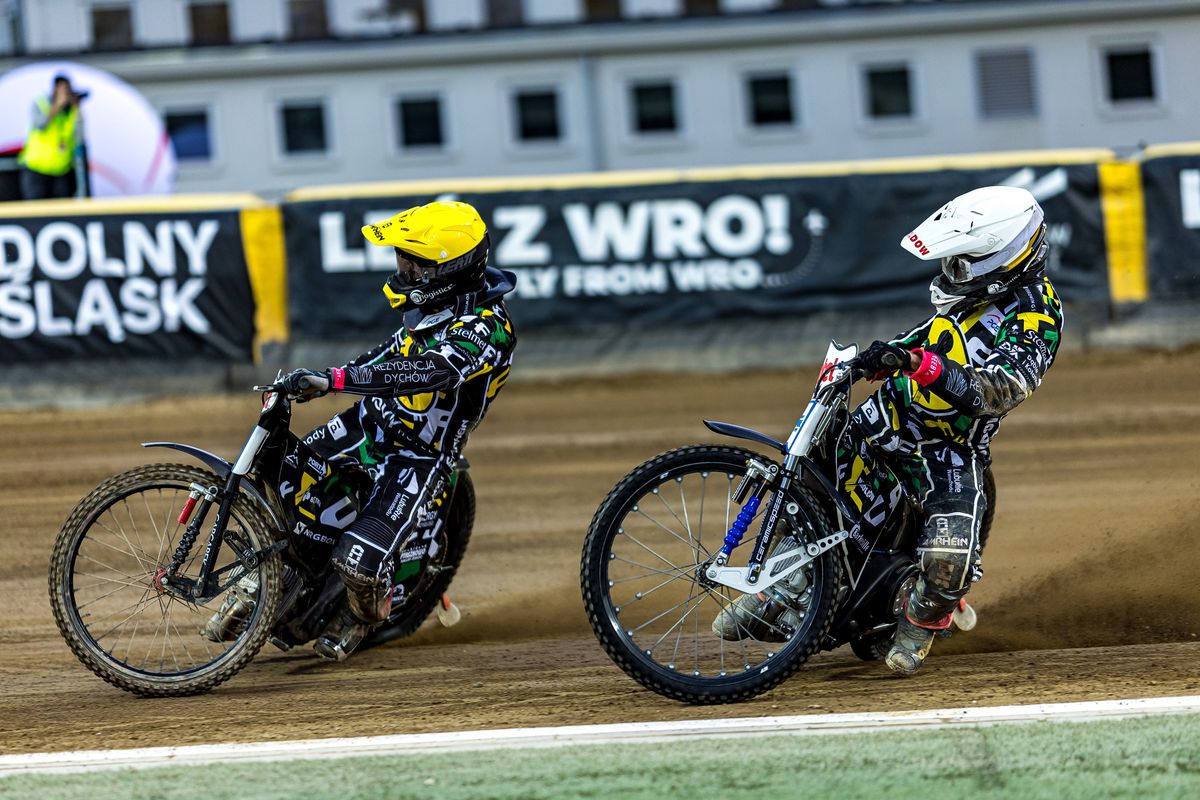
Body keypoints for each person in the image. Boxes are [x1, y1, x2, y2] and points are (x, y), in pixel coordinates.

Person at [715, 186, 1063, 676]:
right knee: (811, 483)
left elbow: (997, 390)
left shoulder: (1037, 314)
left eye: (962, 263)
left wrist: (917, 364)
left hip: (947, 453)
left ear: (1005, 258)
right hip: (880, 428)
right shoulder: (969, 299)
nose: (951, 273)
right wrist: (867, 361)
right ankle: (786, 582)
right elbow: (919, 340)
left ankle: (918, 622)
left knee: (949, 562)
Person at [276, 200, 517, 661]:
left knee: (358, 564)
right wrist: (326, 379)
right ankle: (270, 577)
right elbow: (389, 355)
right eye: (402, 261)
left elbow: (428, 372)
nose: (403, 272)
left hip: (420, 457)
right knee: (283, 482)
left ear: (450, 269)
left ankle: (361, 615)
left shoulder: (489, 328)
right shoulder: (429, 309)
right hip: (368, 423)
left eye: (415, 265)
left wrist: (337, 382)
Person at [19, 73, 83, 200]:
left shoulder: (70, 111)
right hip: (37, 167)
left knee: (63, 209)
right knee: (37, 211)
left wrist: (76, 107)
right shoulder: (41, 104)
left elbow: (79, 133)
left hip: (62, 169)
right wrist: (57, 106)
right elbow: (40, 125)